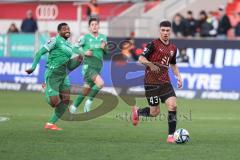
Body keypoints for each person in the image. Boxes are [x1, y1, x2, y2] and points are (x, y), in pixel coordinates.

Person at [131, 20, 183, 143]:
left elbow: (173, 64)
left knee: (173, 105)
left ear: (170, 31)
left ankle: (171, 136)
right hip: (151, 83)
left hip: (165, 82)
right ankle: (138, 112)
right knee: (154, 112)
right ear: (159, 31)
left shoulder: (173, 48)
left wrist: (178, 76)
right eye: (163, 30)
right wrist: (150, 64)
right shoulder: (153, 44)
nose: (165, 33)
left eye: (167, 30)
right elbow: (141, 58)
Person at [25, 23, 83, 130]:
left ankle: (50, 124)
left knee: (65, 101)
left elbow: (69, 65)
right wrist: (33, 67)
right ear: (59, 31)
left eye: (68, 28)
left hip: (64, 75)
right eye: (64, 29)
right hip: (53, 74)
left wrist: (78, 61)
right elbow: (39, 53)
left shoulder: (70, 46)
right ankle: (47, 87)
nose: (67, 30)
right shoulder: (54, 40)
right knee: (55, 103)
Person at [69, 17, 108, 113]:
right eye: (92, 25)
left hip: (98, 66)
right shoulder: (85, 38)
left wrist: (104, 48)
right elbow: (74, 48)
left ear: (99, 26)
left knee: (86, 90)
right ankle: (89, 101)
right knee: (100, 83)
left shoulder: (103, 37)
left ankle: (73, 107)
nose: (94, 26)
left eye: (96, 24)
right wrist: (84, 53)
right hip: (88, 66)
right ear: (89, 27)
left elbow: (106, 52)